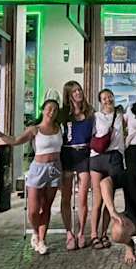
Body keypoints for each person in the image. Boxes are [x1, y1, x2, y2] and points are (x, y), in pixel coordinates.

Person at [0, 99, 61, 255]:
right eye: (49, 108)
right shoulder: (34, 130)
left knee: (47, 207)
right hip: (38, 170)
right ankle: (35, 232)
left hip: (55, 169)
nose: (52, 112)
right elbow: (15, 141)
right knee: (33, 210)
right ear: (43, 110)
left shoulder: (59, 128)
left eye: (55, 110)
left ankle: (42, 240)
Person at [58, 80, 94, 251]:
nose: (78, 93)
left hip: (84, 154)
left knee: (83, 197)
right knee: (66, 197)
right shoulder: (63, 114)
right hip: (67, 154)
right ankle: (68, 233)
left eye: (79, 90)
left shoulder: (90, 112)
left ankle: (81, 232)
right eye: (74, 91)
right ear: (69, 95)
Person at [88, 88, 126, 250]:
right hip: (97, 158)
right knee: (98, 200)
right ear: (100, 101)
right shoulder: (96, 116)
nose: (108, 100)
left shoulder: (120, 115)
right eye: (104, 98)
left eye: (110, 96)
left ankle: (104, 233)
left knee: (108, 199)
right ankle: (93, 235)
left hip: (114, 158)